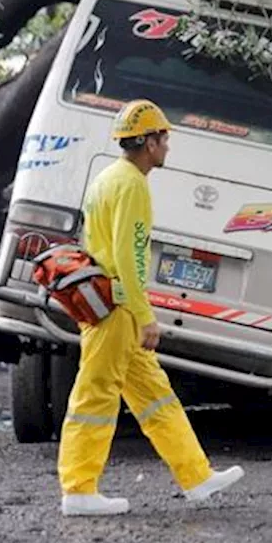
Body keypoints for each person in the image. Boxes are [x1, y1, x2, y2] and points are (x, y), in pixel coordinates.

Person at [58, 99, 244, 516]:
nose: (167, 146)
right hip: (118, 312)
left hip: (108, 306)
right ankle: (79, 489)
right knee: (96, 396)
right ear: (147, 142)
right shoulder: (132, 185)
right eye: (163, 138)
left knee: (156, 396)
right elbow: (129, 257)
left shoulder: (108, 177)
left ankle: (195, 475)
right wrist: (145, 316)